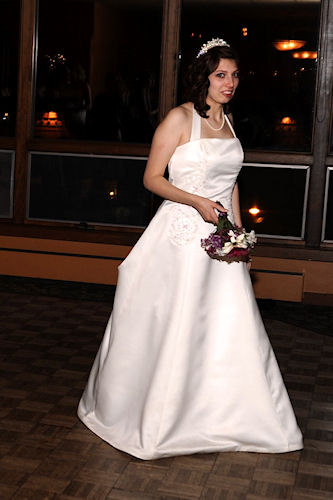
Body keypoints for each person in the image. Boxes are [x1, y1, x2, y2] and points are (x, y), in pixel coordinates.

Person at [78, 38, 303, 460]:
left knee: (225, 326)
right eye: (221, 75)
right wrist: (197, 201)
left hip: (219, 239)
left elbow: (232, 181)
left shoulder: (230, 120)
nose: (230, 82)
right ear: (204, 77)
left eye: (235, 75)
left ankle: (226, 414)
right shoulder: (179, 118)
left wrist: (236, 231)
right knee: (176, 322)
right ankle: (160, 418)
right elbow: (152, 178)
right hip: (181, 236)